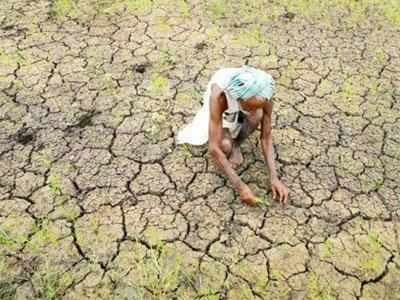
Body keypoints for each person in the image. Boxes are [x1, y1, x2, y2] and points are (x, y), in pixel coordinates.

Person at [177, 66, 289, 205]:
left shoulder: (265, 93)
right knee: (224, 145)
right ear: (238, 98)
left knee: (257, 115)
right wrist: (240, 187)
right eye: (248, 107)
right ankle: (232, 141)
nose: (250, 111)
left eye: (255, 106)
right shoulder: (219, 96)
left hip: (244, 100)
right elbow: (213, 149)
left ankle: (237, 145)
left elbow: (266, 137)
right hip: (225, 110)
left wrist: (274, 177)